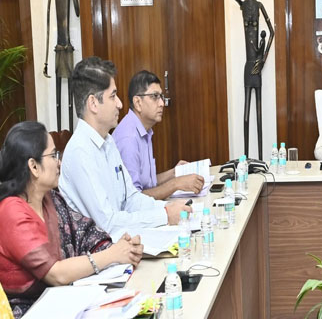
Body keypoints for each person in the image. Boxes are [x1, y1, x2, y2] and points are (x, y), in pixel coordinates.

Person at [0, 122, 143, 318]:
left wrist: (124, 249)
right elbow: (56, 274)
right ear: (33, 166)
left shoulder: (51, 199)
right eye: (53, 155)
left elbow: (85, 233)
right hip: (29, 311)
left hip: (68, 301)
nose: (59, 162)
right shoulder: (11, 212)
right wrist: (112, 255)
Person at [59, 57, 190, 238]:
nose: (120, 104)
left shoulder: (108, 141)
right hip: (102, 249)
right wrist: (165, 216)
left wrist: (168, 208)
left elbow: (131, 199)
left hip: (122, 241)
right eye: (113, 96)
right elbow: (107, 224)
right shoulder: (80, 152)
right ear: (93, 103)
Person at [113, 71, 204, 200]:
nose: (161, 103)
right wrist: (176, 184)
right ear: (138, 103)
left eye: (161, 96)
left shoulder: (144, 130)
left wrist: (173, 173)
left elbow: (147, 183)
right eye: (155, 96)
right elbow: (134, 200)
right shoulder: (128, 138)